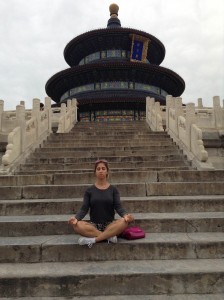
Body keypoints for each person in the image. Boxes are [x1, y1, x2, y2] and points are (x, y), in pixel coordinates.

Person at [68, 159, 134, 248]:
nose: (101, 171)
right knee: (77, 225)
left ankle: (93, 240)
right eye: (98, 169)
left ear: (107, 171)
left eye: (103, 168)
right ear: (95, 172)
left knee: (124, 222)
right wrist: (76, 218)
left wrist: (125, 216)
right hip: (94, 226)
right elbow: (84, 209)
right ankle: (108, 237)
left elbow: (118, 207)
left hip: (109, 225)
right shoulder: (89, 190)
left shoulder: (113, 190)